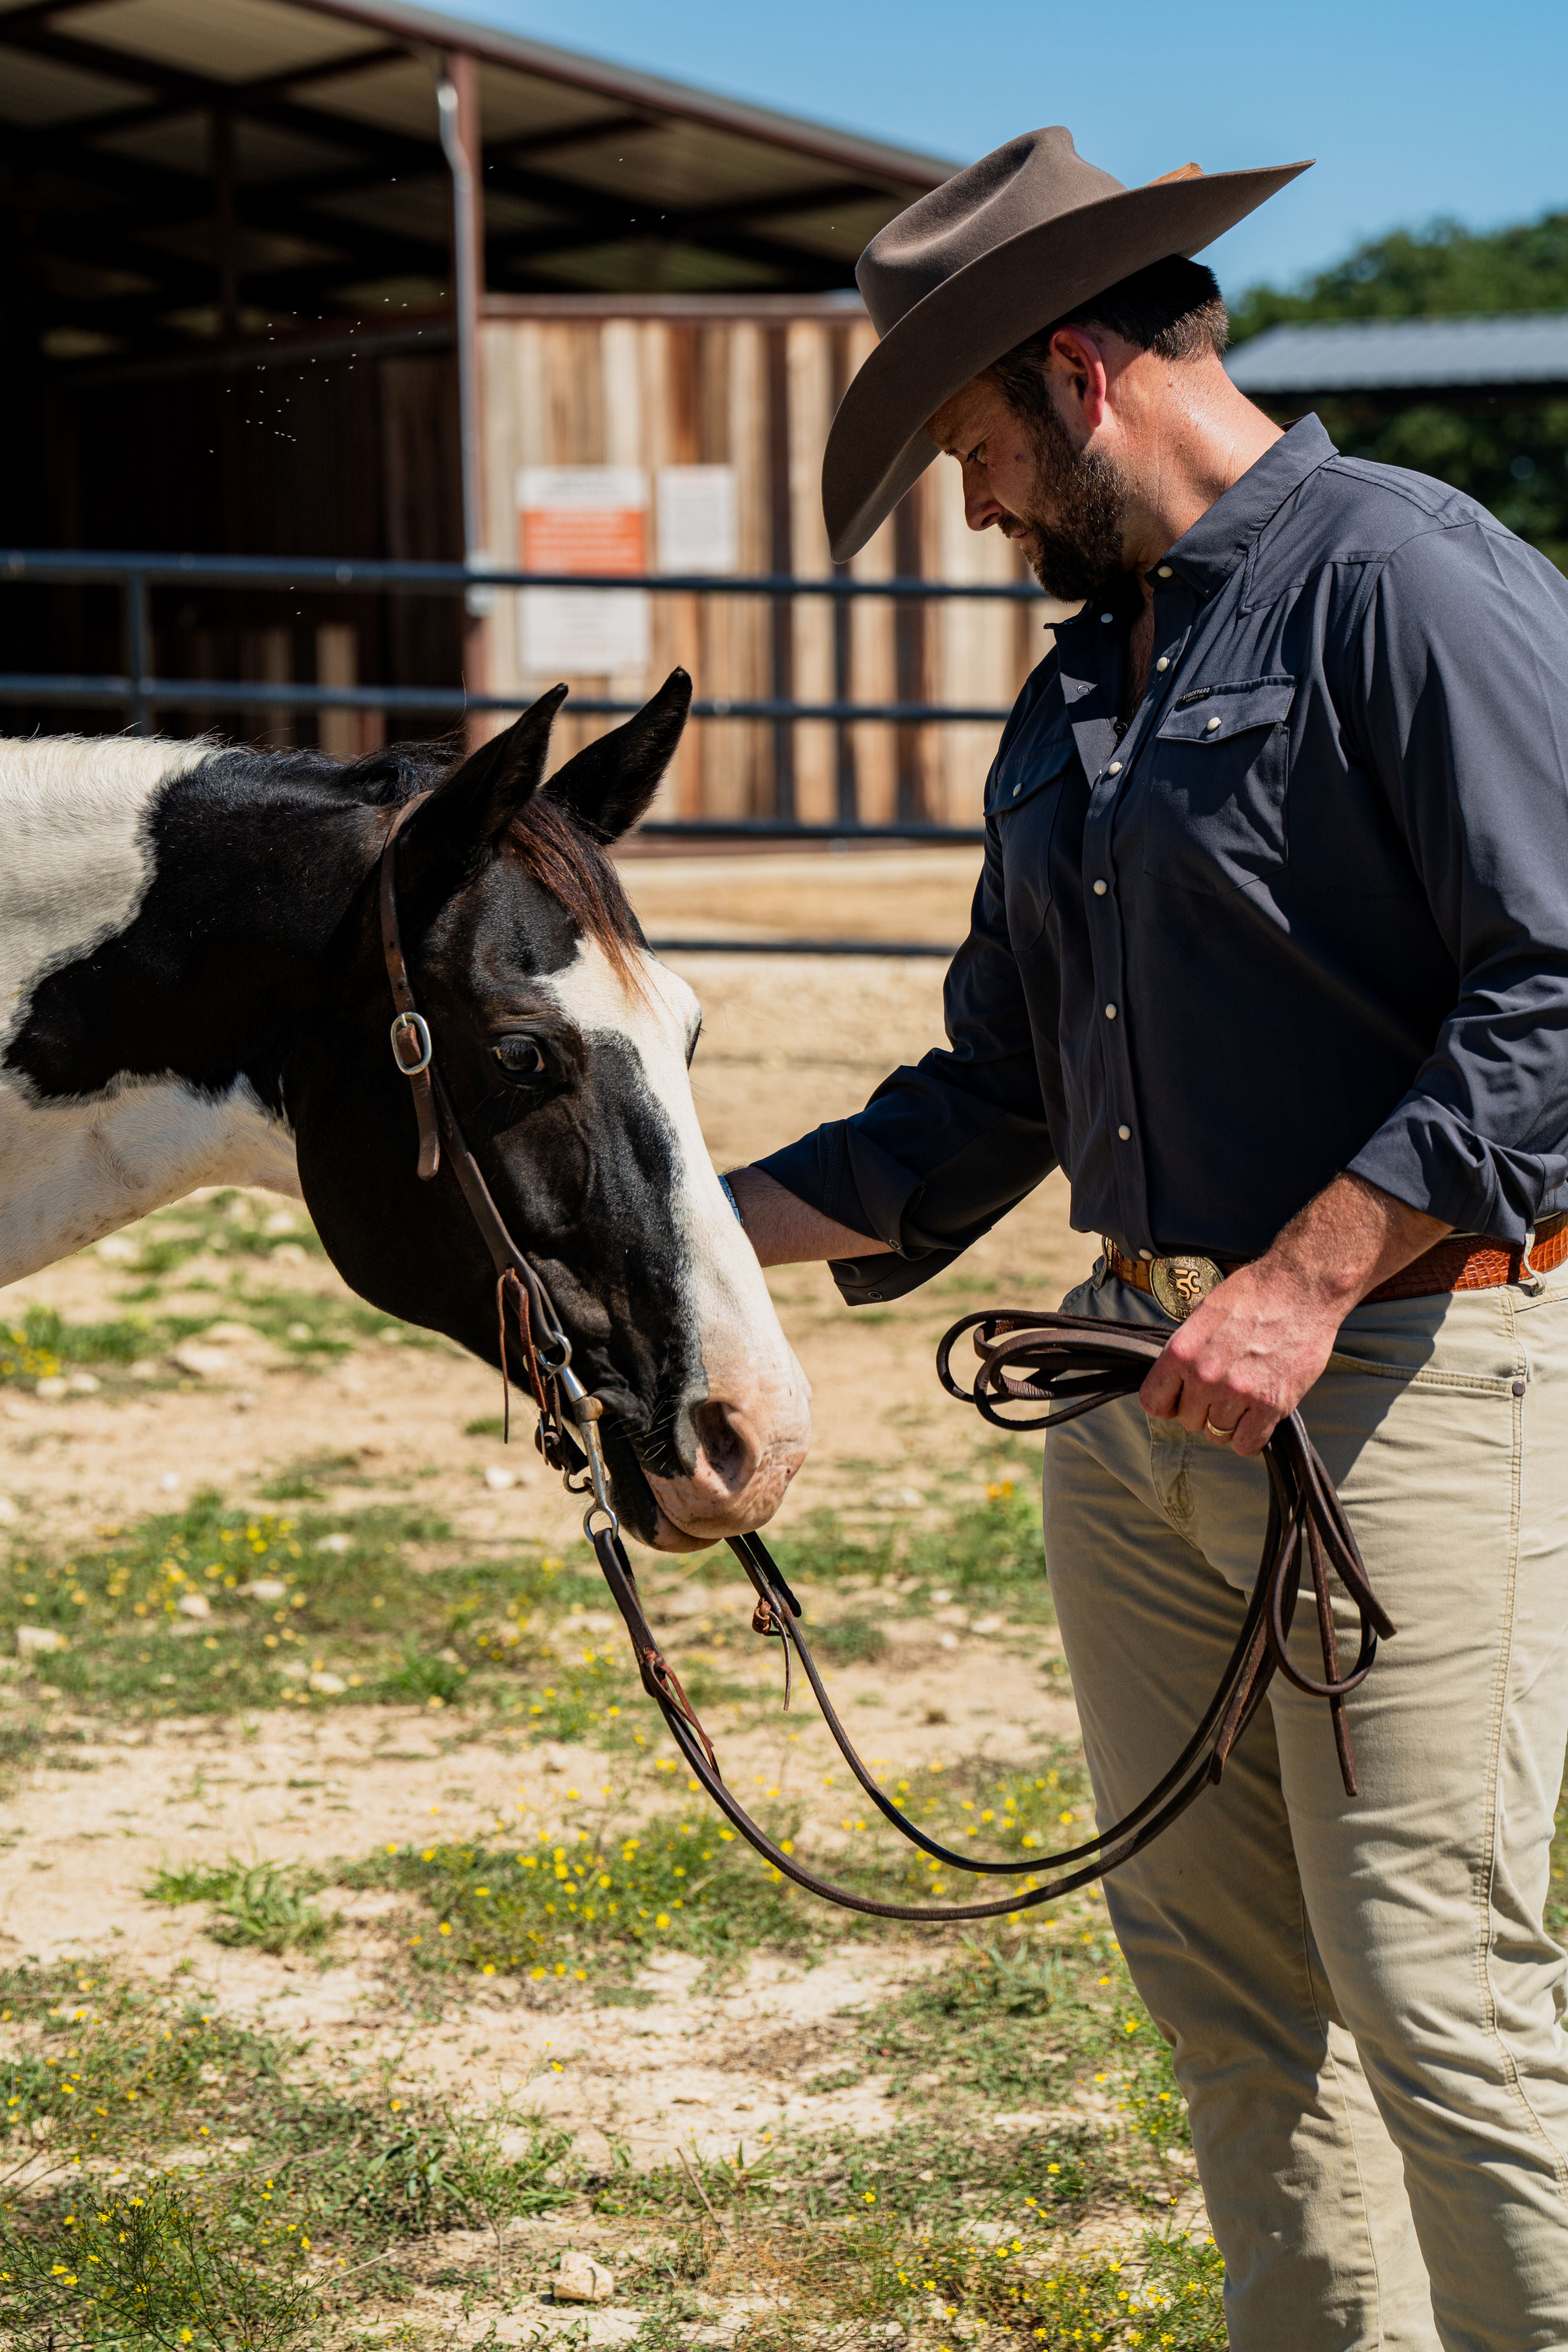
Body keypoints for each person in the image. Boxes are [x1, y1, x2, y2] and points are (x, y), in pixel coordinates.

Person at [726, 127, 1568, 2351]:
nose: (976, 505)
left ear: (1080, 376)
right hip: (1136, 1406)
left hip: (1406, 1389)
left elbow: (1559, 987)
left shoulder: (1412, 580)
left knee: (1441, 2005)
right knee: (1231, 2021)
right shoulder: (1083, 686)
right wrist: (684, 1247)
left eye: (976, 449)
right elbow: (992, 1089)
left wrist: (1301, 1289)